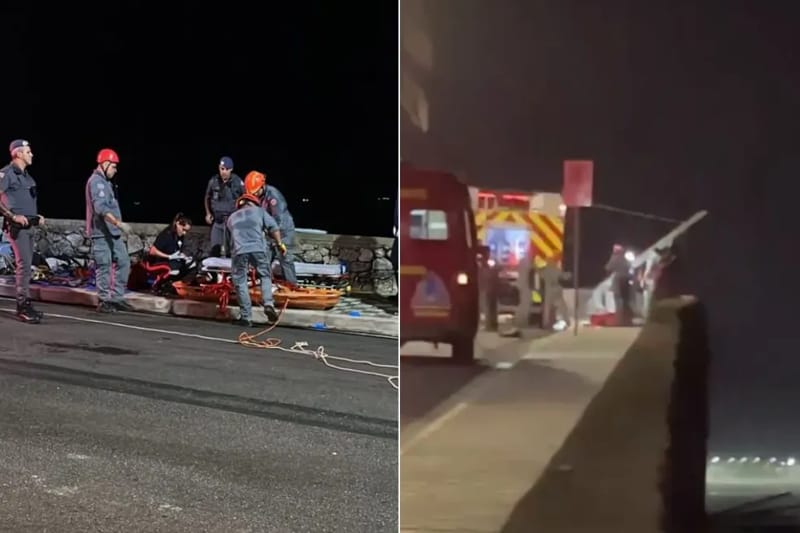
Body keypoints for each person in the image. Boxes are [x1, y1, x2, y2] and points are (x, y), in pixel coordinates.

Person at [0, 139, 45, 323]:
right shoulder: (6, 174)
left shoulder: (27, 176)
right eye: (28, 151)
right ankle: (22, 306)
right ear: (18, 153)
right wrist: (12, 216)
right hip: (17, 228)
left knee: (26, 267)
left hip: (30, 227)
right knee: (24, 266)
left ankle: (26, 303)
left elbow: (26, 203)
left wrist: (37, 216)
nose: (31, 154)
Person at [226, 193, 287, 327]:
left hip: (239, 250)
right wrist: (279, 244)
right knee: (265, 275)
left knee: (240, 281)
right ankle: (268, 304)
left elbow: (229, 242)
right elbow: (274, 228)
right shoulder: (260, 212)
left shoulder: (231, 218)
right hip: (258, 249)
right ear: (254, 203)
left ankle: (246, 317)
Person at [85, 148, 133, 313]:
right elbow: (101, 208)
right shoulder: (97, 182)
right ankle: (104, 300)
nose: (115, 169)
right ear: (105, 164)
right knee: (104, 265)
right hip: (101, 232)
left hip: (112, 232)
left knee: (124, 262)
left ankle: (117, 297)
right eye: (113, 166)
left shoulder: (106, 183)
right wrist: (118, 223)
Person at [242, 170, 298, 284]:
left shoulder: (274, 196)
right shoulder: (256, 196)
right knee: (264, 260)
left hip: (283, 232)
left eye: (255, 192)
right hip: (269, 232)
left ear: (262, 186)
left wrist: (274, 239)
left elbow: (278, 220)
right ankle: (265, 286)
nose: (254, 195)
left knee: (285, 259)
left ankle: (292, 286)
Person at [204, 156, 243, 257]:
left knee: (232, 252)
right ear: (219, 168)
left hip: (232, 223)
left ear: (231, 169)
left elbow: (246, 199)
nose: (224, 172)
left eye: (227, 169)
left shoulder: (237, 182)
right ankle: (215, 273)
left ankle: (232, 272)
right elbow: (207, 197)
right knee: (214, 250)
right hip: (218, 222)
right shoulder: (213, 181)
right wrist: (208, 213)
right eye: (222, 169)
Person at [147, 212, 197, 282]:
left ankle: (183, 283)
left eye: (186, 231)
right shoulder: (166, 235)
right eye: (183, 229)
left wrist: (184, 257)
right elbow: (152, 251)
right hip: (161, 261)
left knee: (192, 264)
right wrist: (169, 256)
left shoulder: (180, 236)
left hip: (172, 260)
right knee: (176, 266)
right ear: (178, 224)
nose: (184, 233)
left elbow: (176, 250)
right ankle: (168, 283)